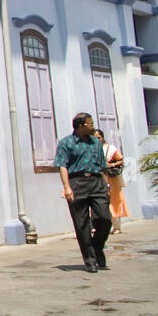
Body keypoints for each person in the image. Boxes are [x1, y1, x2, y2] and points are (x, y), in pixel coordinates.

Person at [55, 113, 111, 273]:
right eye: (90, 123)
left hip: (96, 182)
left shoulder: (95, 142)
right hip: (77, 182)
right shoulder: (66, 143)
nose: (93, 126)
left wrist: (106, 185)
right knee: (82, 224)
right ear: (81, 126)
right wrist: (67, 188)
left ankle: (97, 247)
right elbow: (62, 165)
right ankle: (90, 259)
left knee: (105, 218)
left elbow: (102, 165)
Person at [94, 128, 128, 234]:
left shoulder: (110, 149)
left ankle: (117, 227)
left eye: (99, 138)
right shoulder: (90, 149)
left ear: (103, 137)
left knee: (114, 201)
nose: (97, 140)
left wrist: (111, 165)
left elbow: (121, 160)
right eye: (95, 138)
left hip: (111, 178)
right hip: (97, 178)